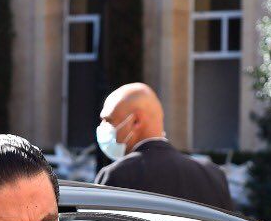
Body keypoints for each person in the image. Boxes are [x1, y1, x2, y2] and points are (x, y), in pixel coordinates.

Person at [93, 82, 235, 210]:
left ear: (136, 121)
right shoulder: (213, 175)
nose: (102, 127)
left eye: (108, 120)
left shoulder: (117, 176)